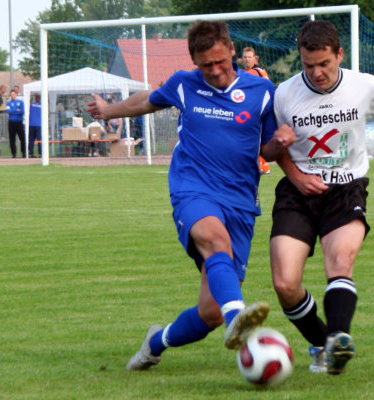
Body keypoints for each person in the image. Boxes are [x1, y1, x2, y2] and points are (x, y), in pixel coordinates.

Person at [87, 20, 295, 371]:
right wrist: (108, 111)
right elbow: (146, 101)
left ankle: (156, 342)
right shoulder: (185, 84)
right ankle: (237, 317)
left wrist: (280, 142)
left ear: (231, 50)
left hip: (241, 201)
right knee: (215, 241)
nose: (213, 71)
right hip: (193, 188)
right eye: (205, 65)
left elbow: (269, 150)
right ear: (194, 62)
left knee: (208, 312)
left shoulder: (262, 90)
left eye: (220, 62)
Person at [270, 20, 374, 376]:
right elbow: (273, 148)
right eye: (308, 65)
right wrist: (297, 176)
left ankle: (339, 338)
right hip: (298, 193)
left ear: (339, 55)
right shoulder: (284, 93)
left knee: (340, 263)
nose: (316, 73)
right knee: (286, 284)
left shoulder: (365, 85)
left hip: (346, 189)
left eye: (324, 64)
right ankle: (324, 343)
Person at [241, 46, 271, 175]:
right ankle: (259, 166)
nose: (247, 60)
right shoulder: (244, 73)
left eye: (249, 57)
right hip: (248, 113)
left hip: (256, 113)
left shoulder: (257, 72)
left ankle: (259, 166)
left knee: (252, 141)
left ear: (255, 58)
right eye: (245, 57)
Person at [6, 88, 25, 157]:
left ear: (16, 94)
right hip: (11, 122)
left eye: (13, 94)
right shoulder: (9, 102)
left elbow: (21, 111)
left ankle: (23, 152)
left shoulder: (20, 102)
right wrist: (16, 109)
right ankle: (13, 153)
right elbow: (8, 111)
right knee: (12, 139)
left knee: (22, 138)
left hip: (19, 122)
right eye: (11, 94)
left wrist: (13, 110)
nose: (12, 95)